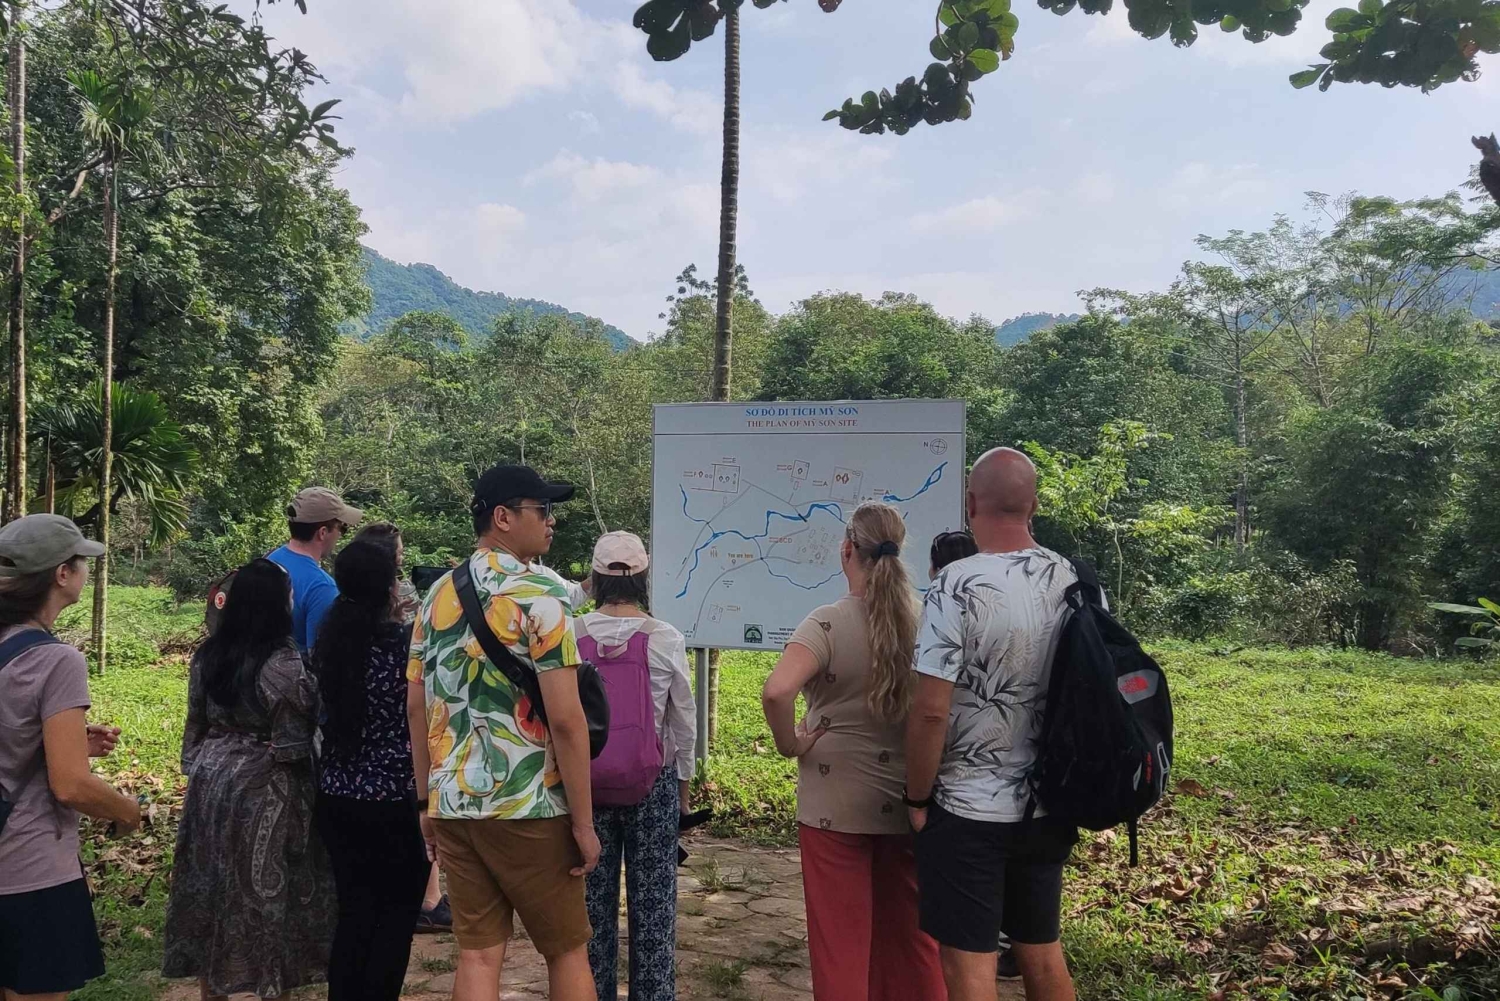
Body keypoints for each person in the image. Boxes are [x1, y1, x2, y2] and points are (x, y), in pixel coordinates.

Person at [406, 464, 600, 1001]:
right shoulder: (540, 591)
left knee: (478, 953)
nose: (552, 521)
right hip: (528, 803)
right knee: (566, 950)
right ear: (503, 517)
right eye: (543, 510)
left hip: (454, 804)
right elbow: (567, 718)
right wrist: (584, 824)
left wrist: (424, 803)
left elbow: (416, 707)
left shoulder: (436, 595)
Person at [906, 448, 1082, 1001]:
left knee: (969, 964)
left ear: (970, 503)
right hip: (1049, 802)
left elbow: (930, 709)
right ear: (1034, 505)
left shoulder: (955, 583)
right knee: (1042, 952)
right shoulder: (1074, 578)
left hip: (967, 809)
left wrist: (917, 798)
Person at [761, 502, 946, 1001]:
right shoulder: (925, 623)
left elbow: (777, 692)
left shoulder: (826, 623)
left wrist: (790, 744)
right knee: (912, 940)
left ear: (847, 550)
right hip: (908, 802)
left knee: (840, 944)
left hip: (833, 808)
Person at [162, 559, 336, 999]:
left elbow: (194, 725)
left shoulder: (209, 654)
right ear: (278, 604)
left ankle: (212, 990)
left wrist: (205, 765)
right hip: (264, 788)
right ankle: (269, 987)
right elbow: (293, 744)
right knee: (265, 897)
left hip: (209, 781)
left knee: (210, 885)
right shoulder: (282, 663)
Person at [0, 515, 140, 1000]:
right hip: (29, 869)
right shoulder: (57, 660)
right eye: (82, 562)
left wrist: (65, 742)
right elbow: (71, 785)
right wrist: (128, 811)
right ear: (62, 574)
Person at [574, 531, 696, 1001]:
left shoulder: (572, 635)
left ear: (596, 578)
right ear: (643, 578)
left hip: (586, 790)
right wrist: (682, 793)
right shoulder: (665, 637)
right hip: (653, 784)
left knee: (589, 916)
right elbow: (682, 722)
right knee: (654, 913)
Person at [311, 539, 430, 1001]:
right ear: (389, 587)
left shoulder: (330, 643)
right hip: (395, 798)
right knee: (396, 919)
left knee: (354, 913)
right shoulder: (402, 648)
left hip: (338, 795)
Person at [350, 521, 451, 932]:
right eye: (399, 553)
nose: (403, 559)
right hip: (399, 744)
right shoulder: (401, 609)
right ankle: (428, 899)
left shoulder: (339, 616)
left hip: (350, 756)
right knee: (418, 815)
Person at [268, 486, 364, 653]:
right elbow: (319, 658)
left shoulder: (269, 560)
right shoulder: (322, 588)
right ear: (322, 533)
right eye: (341, 528)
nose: (340, 535)